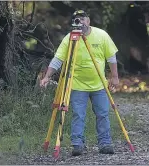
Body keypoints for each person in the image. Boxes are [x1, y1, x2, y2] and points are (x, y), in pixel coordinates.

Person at [40, 10, 119, 156]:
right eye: (76, 20)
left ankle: (105, 143)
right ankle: (77, 144)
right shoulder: (70, 39)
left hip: (99, 84)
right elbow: (58, 60)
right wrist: (47, 76)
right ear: (73, 23)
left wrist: (114, 77)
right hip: (77, 85)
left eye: (82, 19)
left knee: (103, 114)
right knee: (78, 114)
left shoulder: (101, 35)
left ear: (88, 20)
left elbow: (111, 57)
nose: (80, 22)